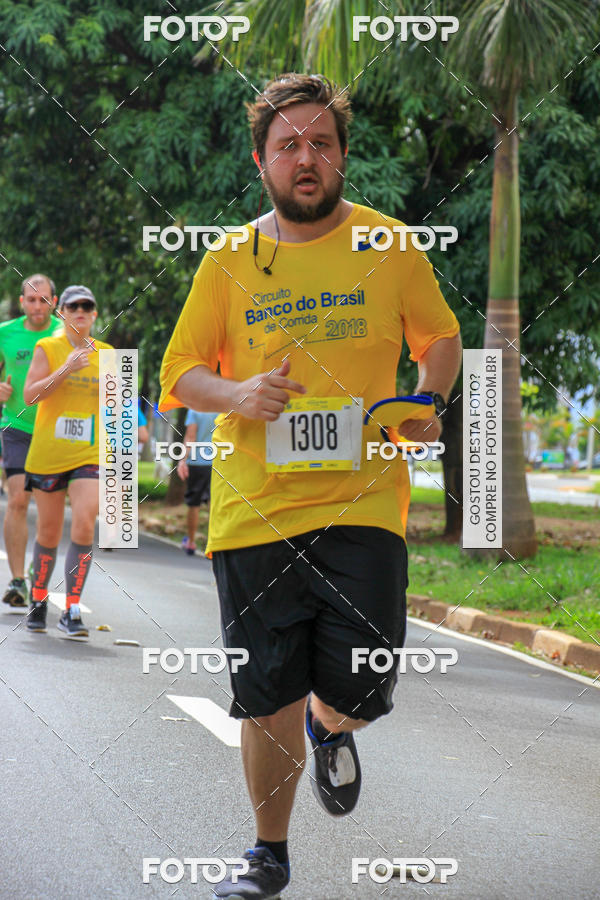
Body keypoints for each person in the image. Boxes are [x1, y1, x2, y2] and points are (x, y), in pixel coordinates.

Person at [159, 73, 462, 899]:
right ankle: (268, 854)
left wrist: (428, 403)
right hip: (254, 510)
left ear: (342, 158)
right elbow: (179, 372)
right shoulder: (229, 261)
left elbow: (440, 337)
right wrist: (237, 394)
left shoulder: (392, 247)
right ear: (261, 162)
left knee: (365, 681)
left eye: (320, 143)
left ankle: (331, 726)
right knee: (264, 697)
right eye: (288, 144)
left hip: (365, 503)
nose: (306, 157)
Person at [23, 285, 112, 639]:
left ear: (94, 314)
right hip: (49, 454)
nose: (80, 311)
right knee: (47, 531)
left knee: (85, 522)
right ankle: (39, 597)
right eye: (73, 306)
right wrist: (67, 368)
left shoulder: (108, 353)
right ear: (61, 312)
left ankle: (72, 606)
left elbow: (115, 411)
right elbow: (30, 396)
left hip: (88, 455)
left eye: (87, 306)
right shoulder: (48, 347)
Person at [0, 274, 61, 608]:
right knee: (18, 501)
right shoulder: (5, 333)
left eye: (44, 300)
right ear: (22, 301)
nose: (38, 306)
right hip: (17, 427)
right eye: (31, 300)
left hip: (56, 431)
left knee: (48, 509)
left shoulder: (65, 334)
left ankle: (38, 579)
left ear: (54, 301)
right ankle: (17, 580)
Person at [177, 409, 217, 555]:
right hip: (219, 461)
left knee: (194, 504)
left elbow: (190, 436)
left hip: (197, 461)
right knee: (215, 504)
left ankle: (191, 542)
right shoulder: (223, 405)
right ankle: (214, 545)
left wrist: (182, 459)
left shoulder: (195, 408)